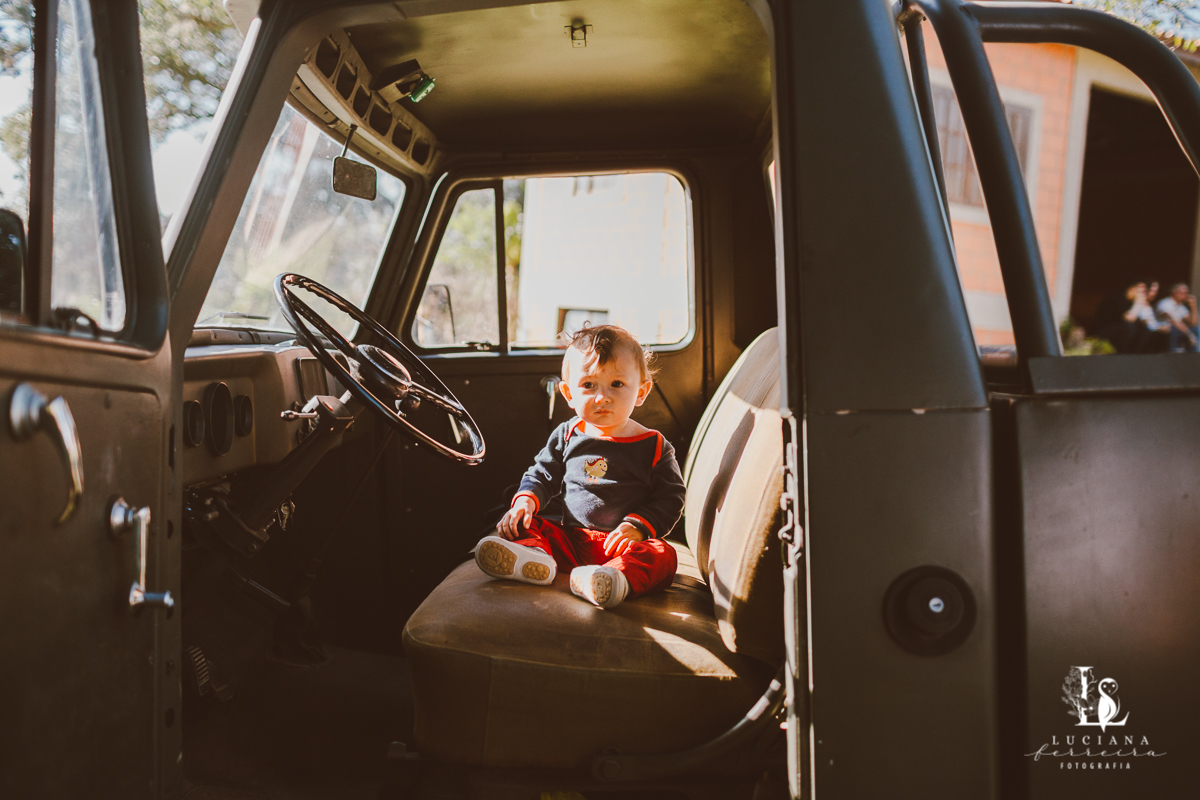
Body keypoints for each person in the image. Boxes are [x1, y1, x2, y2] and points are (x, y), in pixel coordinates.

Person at [473, 324, 684, 608]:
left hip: (623, 546)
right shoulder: (568, 434)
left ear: (642, 392)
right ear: (569, 393)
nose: (602, 397)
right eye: (588, 385)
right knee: (525, 523)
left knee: (662, 554)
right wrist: (524, 504)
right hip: (572, 541)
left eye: (617, 384)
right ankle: (536, 558)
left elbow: (671, 498)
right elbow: (541, 474)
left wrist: (637, 527)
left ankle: (614, 579)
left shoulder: (654, 446)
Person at [1156, 282, 1199, 353]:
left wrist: (1193, 306)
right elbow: (1174, 321)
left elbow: (1193, 323)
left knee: (1196, 329)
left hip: (1178, 330)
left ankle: (1194, 354)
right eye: (1182, 293)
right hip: (1163, 331)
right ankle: (1173, 353)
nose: (1186, 295)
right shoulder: (1165, 303)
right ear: (1174, 293)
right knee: (1174, 328)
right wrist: (1190, 335)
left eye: (1186, 293)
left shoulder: (1181, 307)